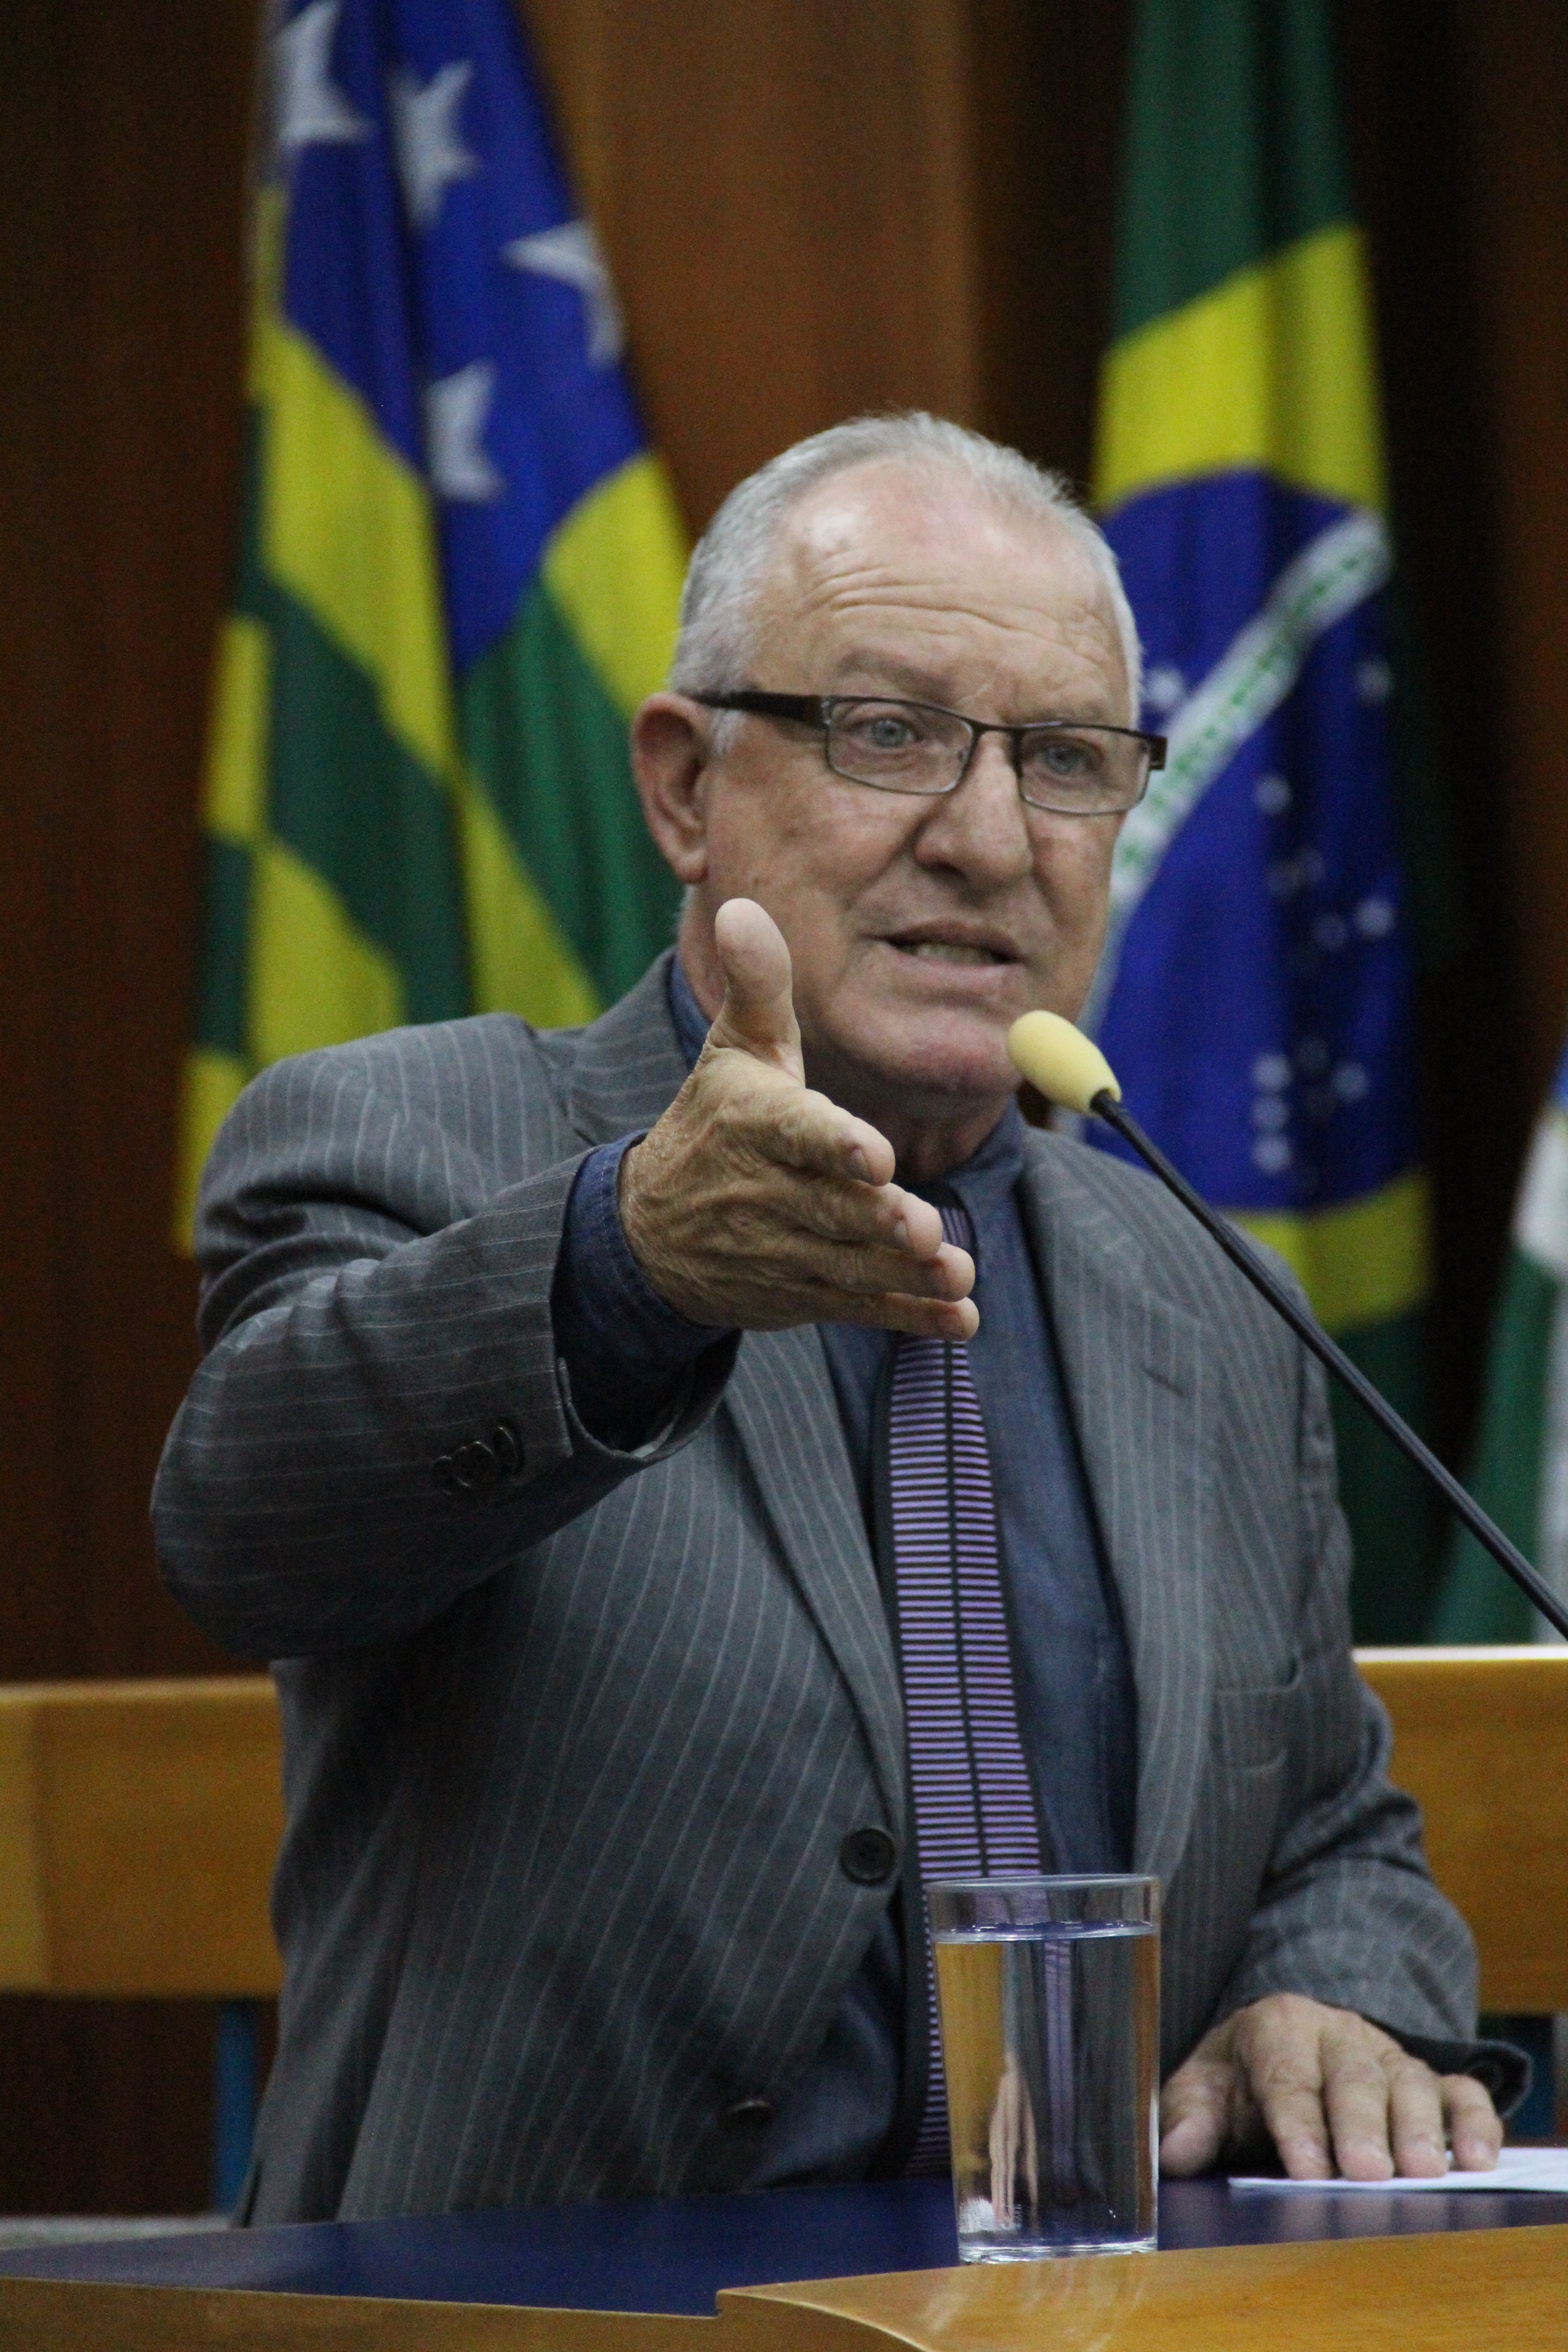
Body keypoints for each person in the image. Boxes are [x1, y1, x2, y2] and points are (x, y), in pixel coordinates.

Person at [155, 414, 1516, 2226]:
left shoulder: (1207, 1295)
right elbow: (246, 1530)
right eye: (888, 733)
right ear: (681, 786)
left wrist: (1326, 1998)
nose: (989, 838)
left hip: (1091, 2316)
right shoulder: (416, 1137)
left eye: (1067, 761)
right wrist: (626, 1268)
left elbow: (1333, 1831)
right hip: (545, 2317)